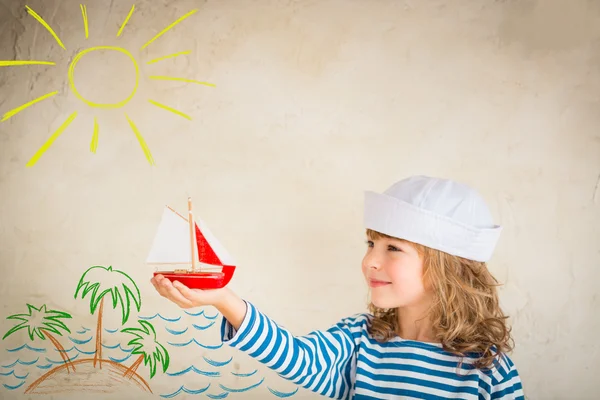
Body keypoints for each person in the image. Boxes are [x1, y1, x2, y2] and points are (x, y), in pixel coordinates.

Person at [151, 175, 525, 399]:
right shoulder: (360, 339)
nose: (370, 261)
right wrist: (224, 300)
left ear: (448, 269)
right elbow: (298, 357)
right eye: (370, 244)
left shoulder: (487, 370)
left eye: (392, 248)